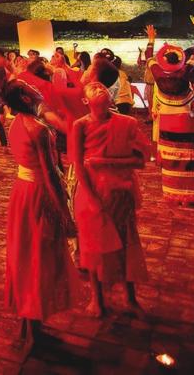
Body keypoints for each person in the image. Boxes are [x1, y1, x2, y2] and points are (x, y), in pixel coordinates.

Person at [3, 80, 77, 351]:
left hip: (21, 192)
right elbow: (50, 176)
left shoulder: (17, 124)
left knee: (23, 254)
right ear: (24, 96)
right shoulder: (40, 131)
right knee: (38, 257)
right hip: (38, 194)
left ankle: (28, 324)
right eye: (28, 87)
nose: (36, 89)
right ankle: (33, 330)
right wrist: (65, 216)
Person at [71, 81, 151, 317]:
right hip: (92, 192)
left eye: (101, 87)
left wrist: (106, 163)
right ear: (85, 101)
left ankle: (130, 297)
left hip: (120, 191)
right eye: (92, 88)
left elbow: (139, 161)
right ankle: (97, 298)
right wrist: (89, 195)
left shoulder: (126, 123)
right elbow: (78, 163)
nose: (99, 88)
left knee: (125, 241)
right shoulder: (80, 125)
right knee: (93, 245)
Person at [143, 25, 194, 206]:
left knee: (170, 160)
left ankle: (172, 193)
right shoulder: (184, 72)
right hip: (184, 120)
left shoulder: (158, 73)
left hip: (166, 121)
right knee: (187, 158)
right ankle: (189, 196)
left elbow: (148, 57)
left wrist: (151, 40)